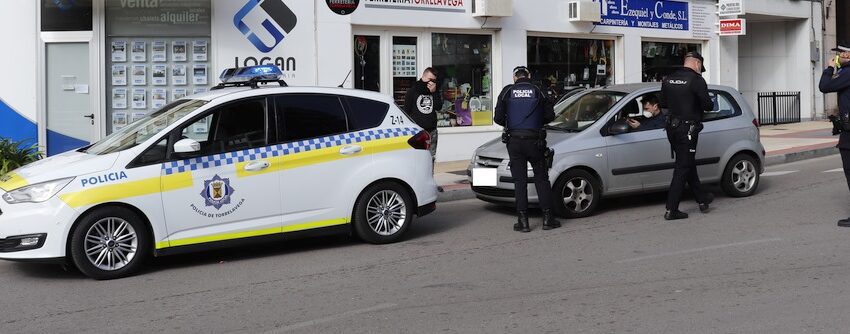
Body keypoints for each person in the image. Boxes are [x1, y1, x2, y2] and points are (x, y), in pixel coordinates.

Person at [494, 66, 561, 232]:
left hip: (514, 141)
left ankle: (522, 221)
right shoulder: (539, 90)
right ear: (529, 76)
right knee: (541, 179)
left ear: (514, 77)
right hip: (534, 141)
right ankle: (547, 219)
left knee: (520, 181)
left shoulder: (507, 91)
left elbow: (498, 118)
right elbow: (550, 116)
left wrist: (513, 125)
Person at [660, 51, 715, 220]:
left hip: (671, 128)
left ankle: (702, 199)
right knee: (683, 167)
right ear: (697, 64)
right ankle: (671, 209)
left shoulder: (668, 79)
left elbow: (663, 103)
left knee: (687, 163)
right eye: (700, 67)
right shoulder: (697, 80)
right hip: (688, 130)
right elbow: (708, 106)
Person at [819, 43, 850, 226]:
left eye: (843, 54)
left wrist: (830, 68)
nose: (839, 56)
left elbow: (825, 86)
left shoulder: (847, 73)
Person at [403, 68, 442, 168]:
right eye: (429, 79)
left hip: (431, 131)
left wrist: (434, 92)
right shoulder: (413, 91)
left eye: (433, 80)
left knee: (431, 158)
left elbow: (439, 107)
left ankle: (429, 179)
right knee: (416, 159)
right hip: (417, 132)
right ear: (423, 77)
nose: (431, 82)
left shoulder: (434, 90)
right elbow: (406, 111)